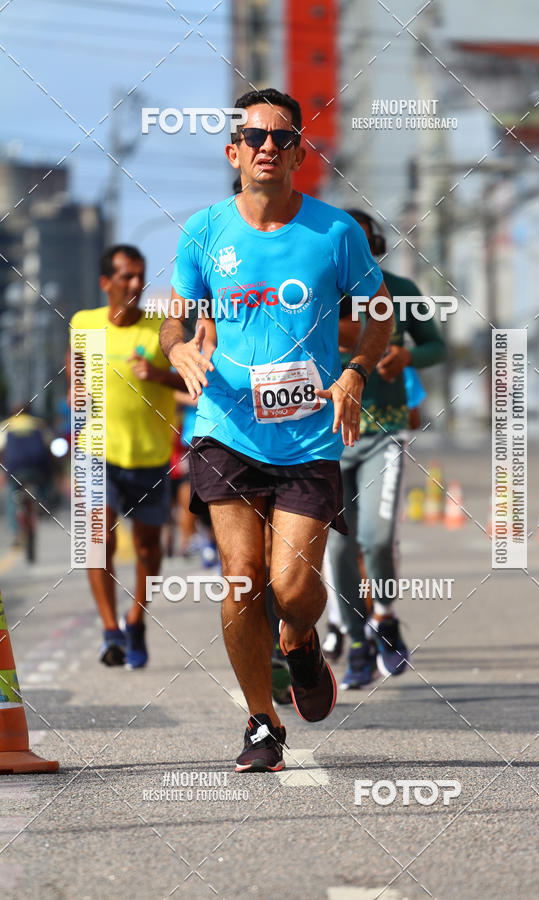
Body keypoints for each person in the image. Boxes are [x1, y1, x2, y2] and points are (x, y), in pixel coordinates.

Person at [160, 88, 393, 772]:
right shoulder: (204, 232)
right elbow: (177, 317)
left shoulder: (334, 234)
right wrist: (177, 349)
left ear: (300, 153)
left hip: (308, 434)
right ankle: (262, 724)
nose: (269, 146)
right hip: (225, 427)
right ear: (234, 152)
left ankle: (299, 640)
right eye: (256, 137)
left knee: (291, 590)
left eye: (283, 138)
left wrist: (354, 373)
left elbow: (379, 313)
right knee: (242, 580)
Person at [326, 209, 446, 689]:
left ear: (375, 245)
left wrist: (408, 355)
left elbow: (437, 345)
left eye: (363, 242)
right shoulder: (315, 292)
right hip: (327, 439)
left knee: (374, 539)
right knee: (338, 551)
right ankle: (356, 643)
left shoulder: (400, 290)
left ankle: (387, 616)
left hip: (385, 433)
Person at [69, 245, 185, 668]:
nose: (136, 284)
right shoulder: (85, 323)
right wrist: (75, 394)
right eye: (126, 277)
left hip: (151, 457)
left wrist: (156, 374)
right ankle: (110, 631)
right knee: (96, 544)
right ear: (106, 284)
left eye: (140, 275)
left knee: (149, 549)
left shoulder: (161, 328)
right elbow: (76, 375)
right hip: (95, 454)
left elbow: (190, 376)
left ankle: (135, 620)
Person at [0, 404, 52, 545]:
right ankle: (43, 503)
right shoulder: (38, 424)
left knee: (12, 498)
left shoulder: (7, 425)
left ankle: (16, 532)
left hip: (14, 468)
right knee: (46, 481)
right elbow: (49, 445)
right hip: (37, 466)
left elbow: (1, 449)